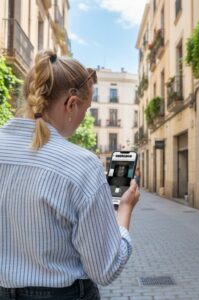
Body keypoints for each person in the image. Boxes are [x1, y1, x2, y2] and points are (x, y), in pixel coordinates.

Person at [0, 50, 140, 300]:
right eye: (86, 109)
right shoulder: (82, 165)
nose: (84, 116)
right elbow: (105, 269)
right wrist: (125, 209)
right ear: (71, 104)